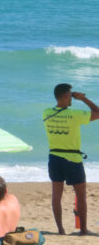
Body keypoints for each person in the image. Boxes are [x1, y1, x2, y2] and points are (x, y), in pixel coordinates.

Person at [43, 83, 99, 235]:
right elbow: (98, 112)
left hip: (54, 157)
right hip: (72, 159)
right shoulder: (74, 115)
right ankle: (83, 230)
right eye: (70, 96)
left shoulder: (46, 113)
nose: (72, 100)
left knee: (56, 196)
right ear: (67, 96)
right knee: (80, 195)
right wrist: (83, 99)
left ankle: (60, 230)